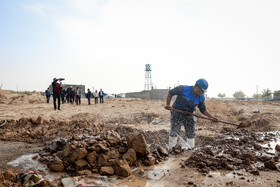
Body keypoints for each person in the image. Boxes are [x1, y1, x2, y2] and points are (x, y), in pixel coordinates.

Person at [164, 78, 218, 151]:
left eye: (203, 91)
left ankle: (190, 150)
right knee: (174, 131)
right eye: (201, 91)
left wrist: (212, 117)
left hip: (189, 114)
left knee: (191, 132)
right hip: (177, 112)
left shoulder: (201, 97)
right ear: (196, 87)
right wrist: (168, 104)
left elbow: (203, 109)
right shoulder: (183, 89)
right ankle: (171, 150)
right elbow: (170, 93)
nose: (202, 93)